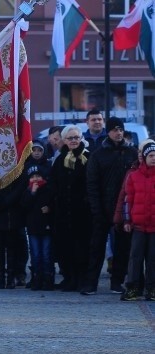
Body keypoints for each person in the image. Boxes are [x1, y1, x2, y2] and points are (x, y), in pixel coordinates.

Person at [80, 117, 138, 295]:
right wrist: (97, 209)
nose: (118, 133)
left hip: (124, 209)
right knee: (96, 247)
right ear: (109, 131)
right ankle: (91, 283)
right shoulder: (98, 154)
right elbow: (92, 184)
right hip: (102, 208)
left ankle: (117, 282)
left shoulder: (131, 152)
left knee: (122, 247)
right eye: (115, 130)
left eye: (121, 129)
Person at [50, 124, 92, 291]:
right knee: (65, 247)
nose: (74, 141)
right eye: (70, 138)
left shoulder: (87, 157)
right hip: (63, 211)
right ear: (64, 140)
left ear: (81, 138)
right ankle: (69, 278)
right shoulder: (60, 159)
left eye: (76, 137)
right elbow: (53, 183)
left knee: (82, 247)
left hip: (82, 212)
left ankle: (82, 278)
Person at [120, 142, 155, 301]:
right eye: (151, 156)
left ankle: (152, 288)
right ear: (144, 158)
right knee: (135, 257)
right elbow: (128, 200)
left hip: (154, 227)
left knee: (153, 258)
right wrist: (127, 219)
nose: (154, 158)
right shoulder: (133, 176)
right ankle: (133, 288)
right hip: (139, 225)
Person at [21, 165, 55, 291]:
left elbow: (54, 203)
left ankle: (48, 279)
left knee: (46, 254)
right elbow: (24, 206)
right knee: (35, 254)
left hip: (46, 227)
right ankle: (36, 278)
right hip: (33, 227)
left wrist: (49, 209)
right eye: (33, 177)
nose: (35, 179)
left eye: (38, 176)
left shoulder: (48, 189)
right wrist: (32, 193)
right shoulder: (27, 191)